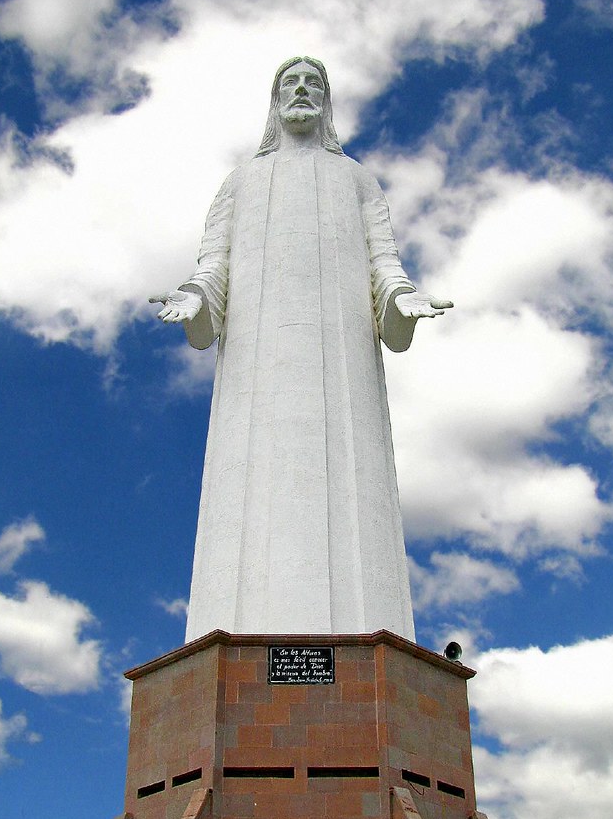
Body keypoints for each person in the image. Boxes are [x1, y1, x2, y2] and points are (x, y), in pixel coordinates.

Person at [151, 56, 451, 642]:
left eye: (314, 83)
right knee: (243, 507)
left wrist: (400, 299)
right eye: (291, 83)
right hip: (254, 365)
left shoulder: (357, 180)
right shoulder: (243, 180)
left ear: (328, 102)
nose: (302, 90)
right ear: (274, 100)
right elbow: (212, 265)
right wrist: (194, 300)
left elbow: (384, 263)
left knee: (358, 500)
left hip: (346, 363)